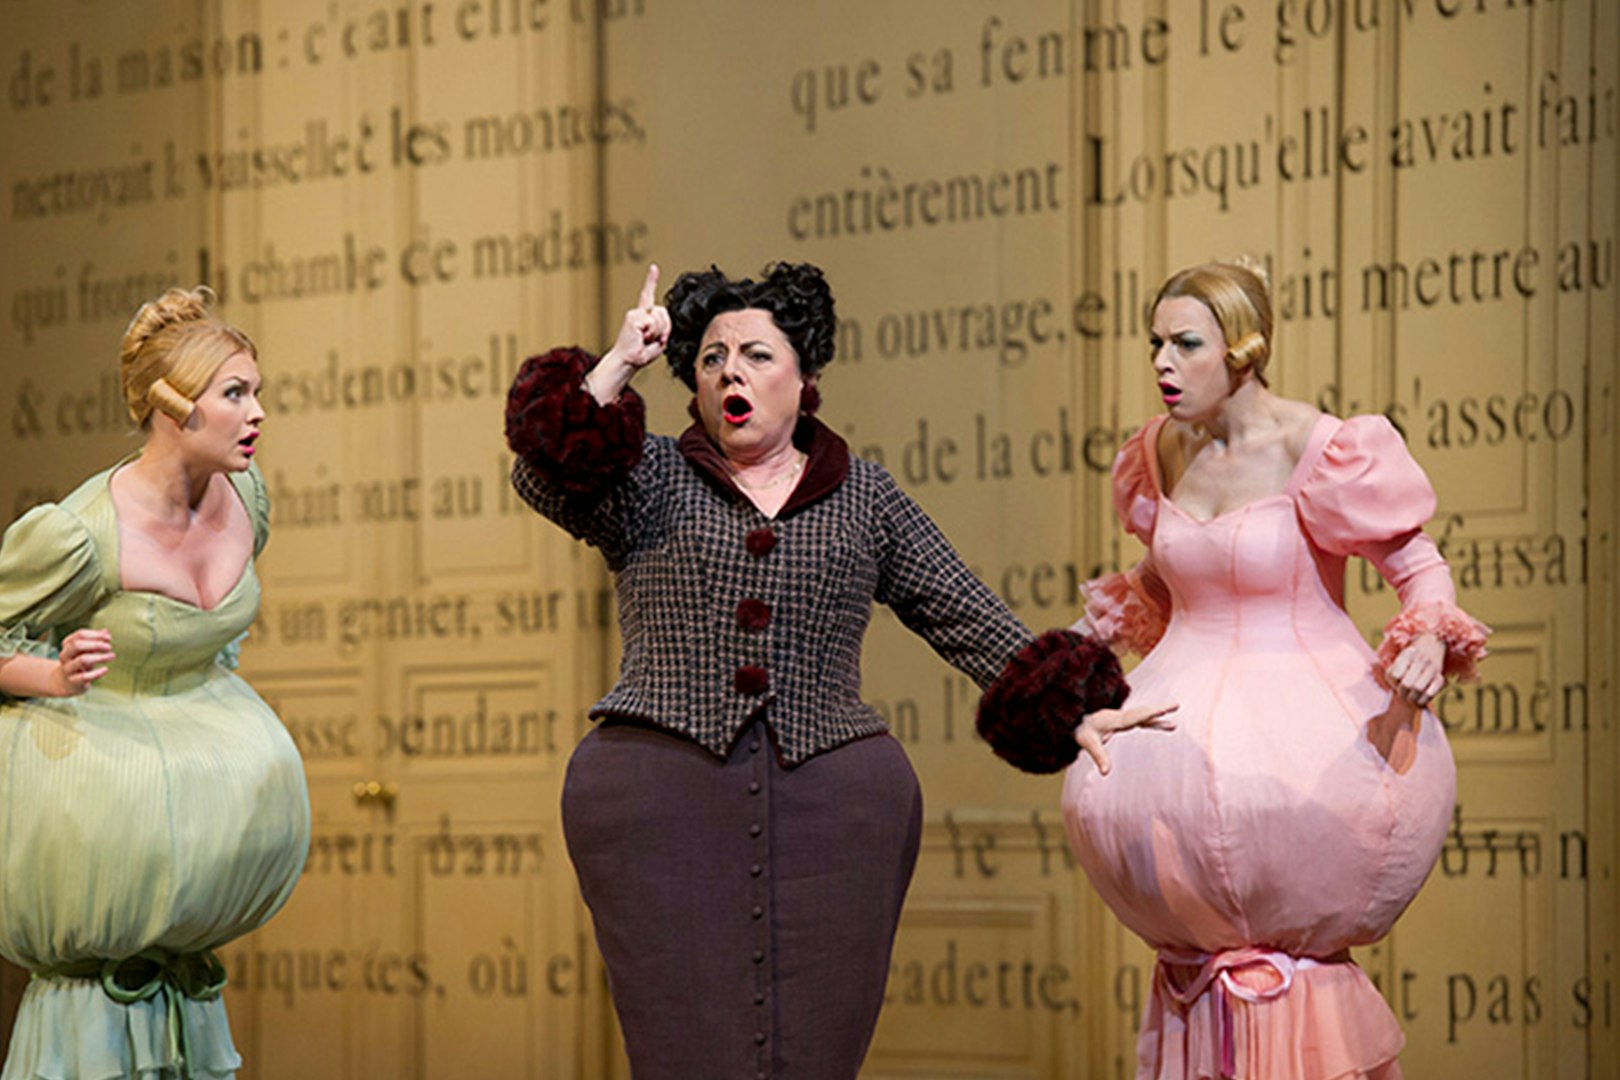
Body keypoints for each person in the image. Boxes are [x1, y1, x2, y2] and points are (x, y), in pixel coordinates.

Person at [504, 262, 1171, 1079]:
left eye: (755, 354)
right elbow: (540, 474)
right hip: (657, 800)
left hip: (834, 806)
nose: (730, 375)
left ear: (804, 376)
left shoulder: (863, 496)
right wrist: (616, 365)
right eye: (712, 359)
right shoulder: (647, 476)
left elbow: (958, 608)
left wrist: (1075, 706)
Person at [1048, 260, 1488, 1079]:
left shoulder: (1318, 448)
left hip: (1306, 746)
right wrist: (1070, 655)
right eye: (1155, 344)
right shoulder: (1158, 452)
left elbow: (1417, 566)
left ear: (1243, 350)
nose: (1162, 365)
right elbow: (1162, 579)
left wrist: (1428, 637)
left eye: (1186, 343)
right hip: (1176, 756)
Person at [0, 286, 310, 1079]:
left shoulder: (247, 498)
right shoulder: (78, 536)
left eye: (257, 393)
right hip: (99, 817)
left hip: (186, 886)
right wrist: (54, 674)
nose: (257, 414)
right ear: (175, 409)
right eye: (235, 394)